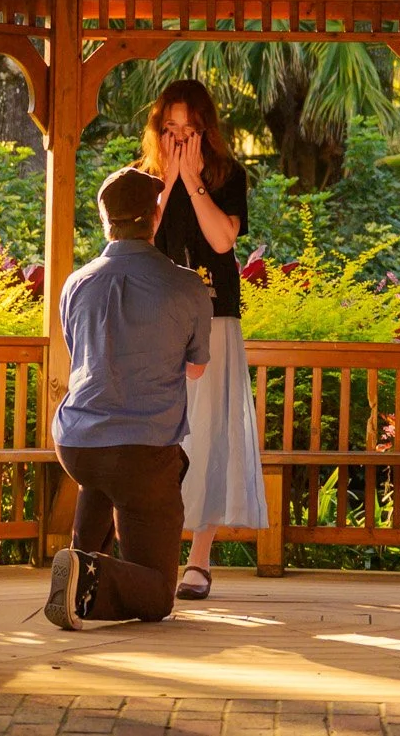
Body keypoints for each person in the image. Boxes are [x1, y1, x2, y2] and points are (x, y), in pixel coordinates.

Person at [44, 165, 212, 631]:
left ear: (105, 221)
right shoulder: (186, 285)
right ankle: (84, 575)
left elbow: (82, 354)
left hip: (77, 444)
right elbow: (196, 367)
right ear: (155, 216)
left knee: (101, 477)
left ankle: (80, 560)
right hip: (141, 452)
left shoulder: (75, 283)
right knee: (159, 593)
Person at [142, 79, 266, 600]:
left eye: (186, 129)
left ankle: (200, 558)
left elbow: (221, 240)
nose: (177, 138)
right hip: (156, 318)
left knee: (209, 430)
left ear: (205, 131)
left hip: (215, 316)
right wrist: (167, 181)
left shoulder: (227, 176)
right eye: (168, 129)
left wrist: (193, 182)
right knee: (159, 435)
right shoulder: (144, 178)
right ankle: (154, 557)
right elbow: (137, 240)